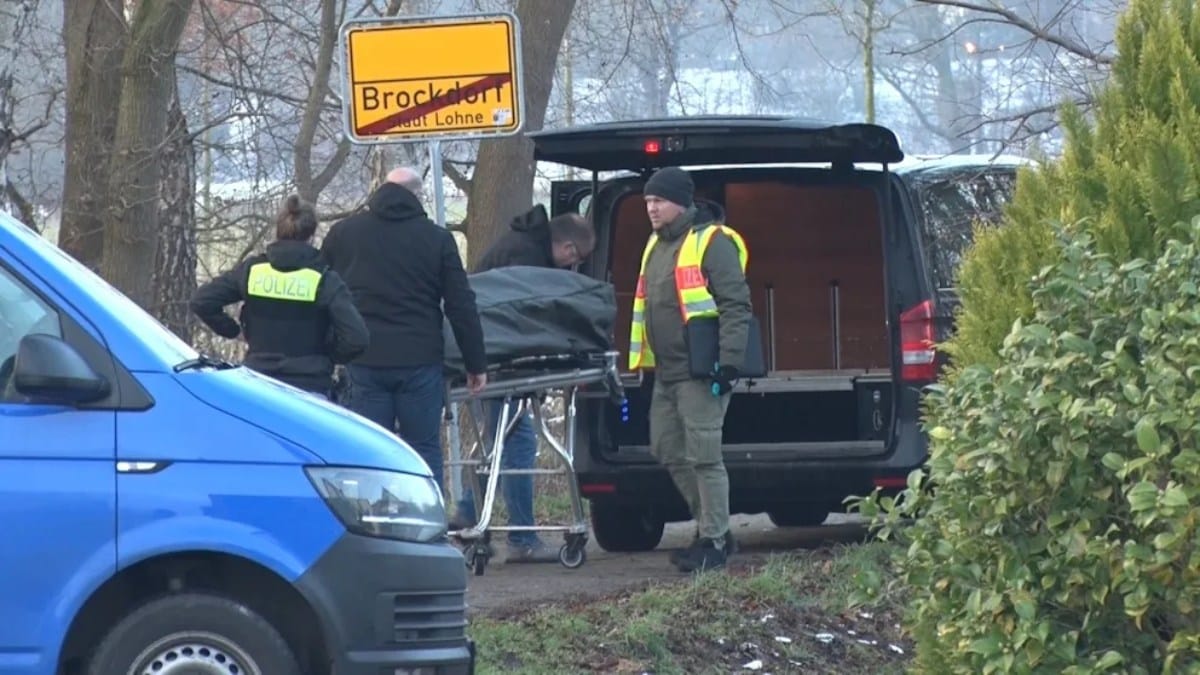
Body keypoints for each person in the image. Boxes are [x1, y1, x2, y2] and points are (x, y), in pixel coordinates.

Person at [320, 167, 487, 490]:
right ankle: (430, 525)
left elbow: (322, 291)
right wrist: (475, 363)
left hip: (364, 358)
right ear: (417, 195)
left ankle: (371, 527)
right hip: (419, 359)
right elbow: (460, 305)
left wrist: (326, 347)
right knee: (423, 448)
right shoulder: (436, 238)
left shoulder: (344, 233)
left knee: (368, 450)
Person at [449, 204, 595, 563]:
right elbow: (522, 316)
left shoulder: (519, 245)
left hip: (491, 359)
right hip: (500, 364)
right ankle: (521, 537)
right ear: (568, 249)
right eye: (574, 261)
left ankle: (471, 511)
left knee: (499, 440)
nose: (570, 268)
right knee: (515, 442)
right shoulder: (526, 259)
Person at [628, 166, 752, 573]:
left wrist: (729, 364)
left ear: (681, 202)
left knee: (704, 456)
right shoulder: (654, 244)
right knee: (665, 446)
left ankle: (714, 541)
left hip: (703, 371)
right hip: (667, 372)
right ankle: (713, 528)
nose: (651, 208)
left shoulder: (712, 241)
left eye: (657, 200)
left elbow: (736, 306)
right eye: (647, 201)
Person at [190, 194, 369, 399]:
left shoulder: (253, 271)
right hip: (310, 385)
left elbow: (202, 301)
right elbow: (357, 337)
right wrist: (328, 356)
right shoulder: (324, 279)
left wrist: (235, 332)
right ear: (311, 235)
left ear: (278, 231)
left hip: (258, 382)